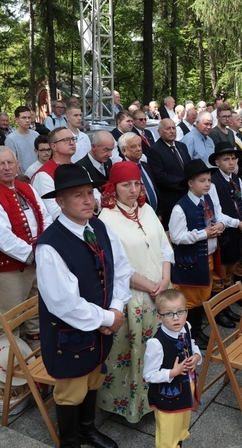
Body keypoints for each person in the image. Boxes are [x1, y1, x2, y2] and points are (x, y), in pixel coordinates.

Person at [35, 163, 131, 448]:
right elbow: (63, 303)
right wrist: (108, 318)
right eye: (78, 195)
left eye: (90, 193)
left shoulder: (99, 226)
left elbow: (121, 270)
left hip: (101, 327)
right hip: (70, 335)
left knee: (94, 377)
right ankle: (70, 444)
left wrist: (115, 309)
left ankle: (87, 430)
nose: (88, 200)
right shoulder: (50, 245)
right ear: (60, 202)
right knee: (70, 391)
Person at [96, 161, 173, 423]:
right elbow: (116, 266)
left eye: (136, 183)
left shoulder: (147, 209)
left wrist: (165, 279)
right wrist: (152, 287)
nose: (132, 189)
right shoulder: (106, 220)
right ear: (113, 187)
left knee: (160, 350)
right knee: (133, 353)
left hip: (161, 291)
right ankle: (130, 407)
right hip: (135, 298)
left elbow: (164, 245)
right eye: (125, 184)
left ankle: (158, 396)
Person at [0, 146, 51, 349]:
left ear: (18, 164)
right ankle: (9, 366)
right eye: (1, 163)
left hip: (37, 259)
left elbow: (45, 216)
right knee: (12, 317)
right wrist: (37, 253)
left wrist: (46, 248)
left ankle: (35, 354)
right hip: (11, 269)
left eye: (11, 162)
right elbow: (4, 239)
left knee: (36, 310)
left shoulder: (26, 187)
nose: (7, 167)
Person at [169, 159, 225, 349]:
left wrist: (219, 225)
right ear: (190, 183)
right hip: (191, 261)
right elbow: (177, 237)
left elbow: (213, 219)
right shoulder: (180, 208)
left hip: (207, 256)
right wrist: (204, 234)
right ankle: (190, 333)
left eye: (209, 180)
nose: (207, 184)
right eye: (202, 180)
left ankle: (198, 329)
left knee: (203, 294)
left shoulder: (206, 199)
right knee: (191, 299)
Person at [143, 289, 200, 448]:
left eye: (180, 312)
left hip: (186, 387)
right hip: (167, 395)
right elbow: (149, 375)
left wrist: (196, 357)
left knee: (182, 423)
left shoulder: (187, 328)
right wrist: (172, 373)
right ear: (159, 317)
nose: (176, 318)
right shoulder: (156, 343)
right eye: (169, 314)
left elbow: (193, 346)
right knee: (168, 429)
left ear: (186, 312)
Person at [208, 143, 242, 328]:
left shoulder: (235, 177)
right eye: (226, 159)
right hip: (225, 232)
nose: (231, 162)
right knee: (220, 274)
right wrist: (238, 223)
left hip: (238, 232)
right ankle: (219, 310)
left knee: (230, 273)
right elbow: (217, 213)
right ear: (217, 162)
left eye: (233, 158)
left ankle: (226, 305)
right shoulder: (213, 182)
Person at [148, 119, 192, 227]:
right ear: (159, 132)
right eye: (168, 128)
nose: (172, 131)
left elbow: (189, 167)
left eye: (173, 128)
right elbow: (160, 177)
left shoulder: (182, 146)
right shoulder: (155, 150)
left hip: (188, 195)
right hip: (171, 200)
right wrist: (185, 182)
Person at [119, 132, 159, 213]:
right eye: (133, 146)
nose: (139, 149)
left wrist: (159, 212)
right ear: (124, 151)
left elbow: (155, 188)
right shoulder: (122, 171)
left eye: (139, 145)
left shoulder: (145, 165)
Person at [4, 106, 40, 173]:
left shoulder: (36, 135)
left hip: (38, 173)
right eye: (23, 118)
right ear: (17, 120)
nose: (27, 120)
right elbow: (11, 161)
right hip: (23, 176)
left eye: (29, 117)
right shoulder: (11, 139)